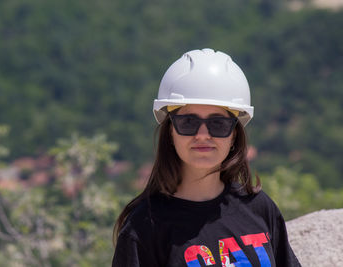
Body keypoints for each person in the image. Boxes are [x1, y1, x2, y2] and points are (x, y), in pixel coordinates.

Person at [112, 48, 301, 266]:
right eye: (188, 122)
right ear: (170, 132)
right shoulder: (144, 227)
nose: (203, 135)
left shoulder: (259, 208)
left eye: (218, 124)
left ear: (234, 134)